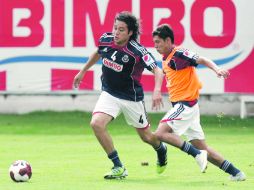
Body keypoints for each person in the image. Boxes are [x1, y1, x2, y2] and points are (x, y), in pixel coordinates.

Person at [73, 12, 167, 179]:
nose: (116, 32)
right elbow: (98, 52)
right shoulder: (106, 39)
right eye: (115, 28)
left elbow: (158, 70)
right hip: (109, 93)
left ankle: (160, 149)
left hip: (131, 98)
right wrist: (83, 71)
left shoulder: (137, 51)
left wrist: (157, 90)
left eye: (121, 30)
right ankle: (118, 166)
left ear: (130, 33)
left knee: (146, 137)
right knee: (96, 124)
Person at [152, 24, 246, 181]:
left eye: (158, 42)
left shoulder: (179, 54)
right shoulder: (166, 58)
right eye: (154, 42)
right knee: (203, 147)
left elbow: (201, 59)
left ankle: (196, 154)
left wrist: (217, 70)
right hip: (189, 107)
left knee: (160, 133)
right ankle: (236, 172)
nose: (155, 46)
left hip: (185, 105)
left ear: (168, 40)